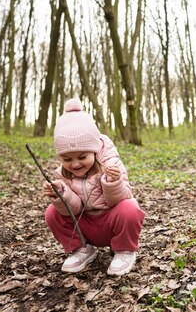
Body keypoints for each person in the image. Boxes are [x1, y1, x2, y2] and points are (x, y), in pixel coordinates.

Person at [43, 98, 145, 276]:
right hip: (84, 227)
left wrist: (112, 183)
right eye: (67, 159)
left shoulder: (111, 164)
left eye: (82, 157)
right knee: (52, 212)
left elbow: (121, 199)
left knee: (130, 208)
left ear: (95, 150)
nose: (75, 164)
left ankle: (124, 250)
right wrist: (61, 195)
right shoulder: (62, 174)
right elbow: (73, 210)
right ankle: (81, 249)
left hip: (110, 223)